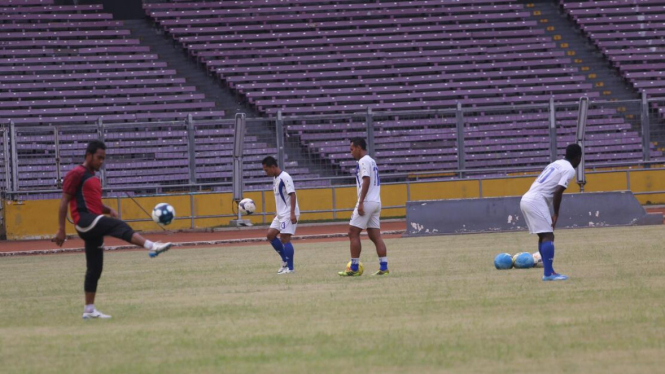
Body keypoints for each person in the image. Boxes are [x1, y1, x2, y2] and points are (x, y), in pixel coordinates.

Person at [53, 140, 172, 319]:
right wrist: (61, 229)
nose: (101, 161)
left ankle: (89, 310)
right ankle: (151, 246)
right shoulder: (76, 173)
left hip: (93, 221)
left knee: (95, 268)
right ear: (88, 155)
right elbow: (64, 201)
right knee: (118, 226)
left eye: (104, 158)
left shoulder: (93, 177)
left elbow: (93, 203)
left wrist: (107, 209)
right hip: (84, 221)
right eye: (99, 157)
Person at [520, 143, 582, 281]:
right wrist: (556, 214)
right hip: (535, 200)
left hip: (527, 198)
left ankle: (549, 272)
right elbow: (558, 191)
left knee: (544, 235)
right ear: (578, 158)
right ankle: (548, 274)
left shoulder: (556, 163)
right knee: (548, 235)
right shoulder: (570, 169)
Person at [339, 138, 389, 276]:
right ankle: (384, 267)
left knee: (352, 232)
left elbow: (366, 179)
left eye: (352, 149)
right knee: (375, 236)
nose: (351, 153)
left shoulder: (363, 161)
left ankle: (354, 268)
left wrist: (360, 202)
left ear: (358, 148)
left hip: (366, 202)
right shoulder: (372, 161)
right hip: (376, 202)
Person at [262, 156, 299, 274]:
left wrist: (292, 213)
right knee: (270, 235)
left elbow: (292, 195)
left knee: (285, 239)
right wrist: (277, 212)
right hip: (281, 214)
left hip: (289, 213)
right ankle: (285, 262)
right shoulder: (275, 178)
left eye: (266, 170)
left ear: (273, 167)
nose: (265, 172)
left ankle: (291, 269)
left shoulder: (285, 177)